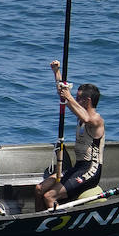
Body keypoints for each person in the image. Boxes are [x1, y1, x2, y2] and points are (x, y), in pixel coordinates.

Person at [35, 60, 105, 209]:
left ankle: (54, 227)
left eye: (79, 97)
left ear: (87, 101)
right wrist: (56, 72)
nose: (76, 100)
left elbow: (86, 118)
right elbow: (63, 96)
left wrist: (69, 96)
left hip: (90, 170)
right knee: (39, 189)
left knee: (49, 196)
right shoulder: (80, 114)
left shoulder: (96, 120)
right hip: (77, 167)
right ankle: (36, 220)